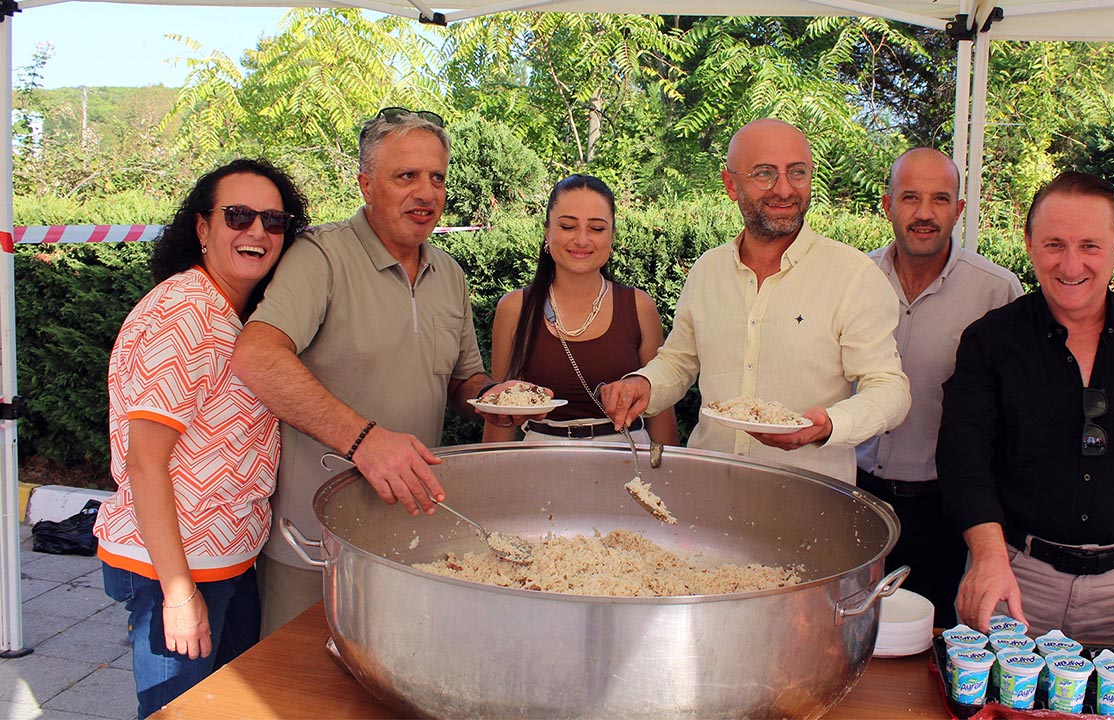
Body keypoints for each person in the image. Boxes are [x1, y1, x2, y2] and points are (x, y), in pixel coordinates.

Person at [230, 108, 528, 636]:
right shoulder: (319, 256)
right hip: (315, 541)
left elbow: (463, 381)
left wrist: (497, 396)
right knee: (298, 693)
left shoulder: (450, 273)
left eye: (437, 177)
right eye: (406, 176)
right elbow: (256, 356)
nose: (426, 192)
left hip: (411, 533)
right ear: (366, 184)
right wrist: (364, 440)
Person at [937, 171, 1114, 645]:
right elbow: (965, 459)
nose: (1071, 265)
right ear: (1028, 244)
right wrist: (987, 559)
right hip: (1015, 583)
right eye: (1053, 245)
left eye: (1090, 245)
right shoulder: (990, 340)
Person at [94, 158, 309, 718]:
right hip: (175, 568)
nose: (257, 231)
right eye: (237, 215)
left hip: (226, 561)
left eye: (274, 220)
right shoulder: (184, 312)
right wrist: (178, 594)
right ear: (202, 228)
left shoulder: (234, 314)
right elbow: (145, 462)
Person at [602, 118, 910, 481]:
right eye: (764, 174)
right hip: (710, 489)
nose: (784, 189)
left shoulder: (853, 276)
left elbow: (890, 389)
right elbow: (679, 362)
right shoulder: (708, 270)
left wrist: (830, 425)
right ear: (731, 184)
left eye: (797, 172)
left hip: (807, 500)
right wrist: (643, 385)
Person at [855, 148, 1023, 627]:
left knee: (939, 639)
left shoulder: (996, 293)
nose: (924, 213)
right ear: (887, 205)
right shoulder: (853, 281)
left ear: (959, 209)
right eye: (910, 197)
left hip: (946, 508)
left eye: (939, 199)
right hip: (857, 496)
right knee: (853, 630)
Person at [483, 174, 678, 445]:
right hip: (541, 463)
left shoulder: (639, 306)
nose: (582, 240)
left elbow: (660, 408)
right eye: (567, 226)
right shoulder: (515, 308)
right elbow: (500, 414)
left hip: (629, 462)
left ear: (612, 236)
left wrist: (667, 477)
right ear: (547, 232)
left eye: (596, 228)